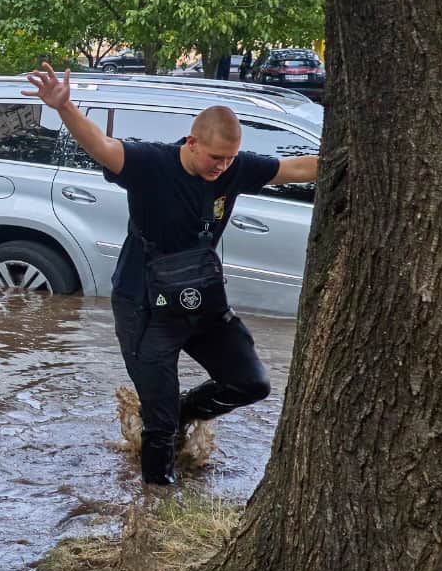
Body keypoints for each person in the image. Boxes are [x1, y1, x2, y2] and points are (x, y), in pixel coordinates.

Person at [22, 64, 319, 487]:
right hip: (144, 303)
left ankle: (181, 410)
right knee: (158, 426)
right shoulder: (152, 164)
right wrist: (65, 107)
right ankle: (157, 506)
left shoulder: (234, 168)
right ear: (192, 142)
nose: (223, 167)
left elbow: (296, 169)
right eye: (216, 158)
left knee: (250, 382)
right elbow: (104, 147)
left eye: (230, 159)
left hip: (201, 298)